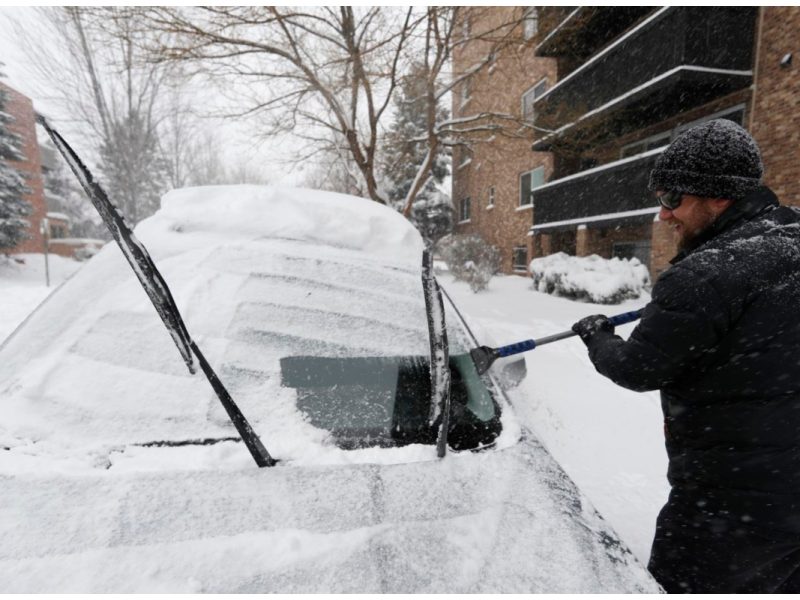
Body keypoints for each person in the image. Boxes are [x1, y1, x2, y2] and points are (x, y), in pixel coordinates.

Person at [571, 119, 800, 593]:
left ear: (719, 197)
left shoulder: (705, 275)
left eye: (674, 198)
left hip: (730, 504)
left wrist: (598, 336)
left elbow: (638, 367)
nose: (663, 215)